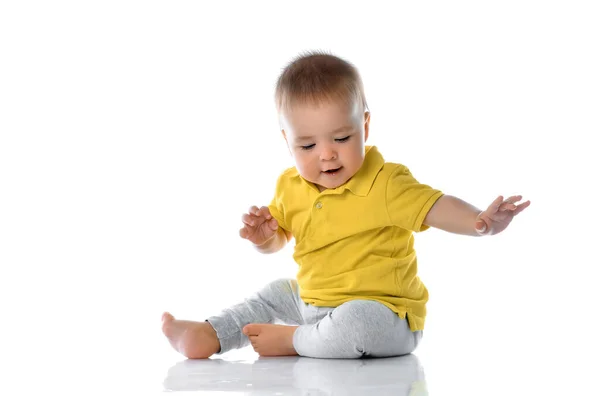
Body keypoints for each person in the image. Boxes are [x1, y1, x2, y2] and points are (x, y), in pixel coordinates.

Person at [161, 51, 530, 359]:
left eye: (341, 137)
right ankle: (213, 334)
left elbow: (436, 205)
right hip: (315, 303)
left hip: (385, 316)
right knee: (275, 291)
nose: (327, 155)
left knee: (356, 321)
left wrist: (479, 221)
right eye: (307, 146)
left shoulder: (385, 182)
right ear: (287, 141)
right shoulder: (290, 186)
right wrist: (264, 239)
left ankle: (294, 340)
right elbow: (280, 240)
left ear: (364, 127)